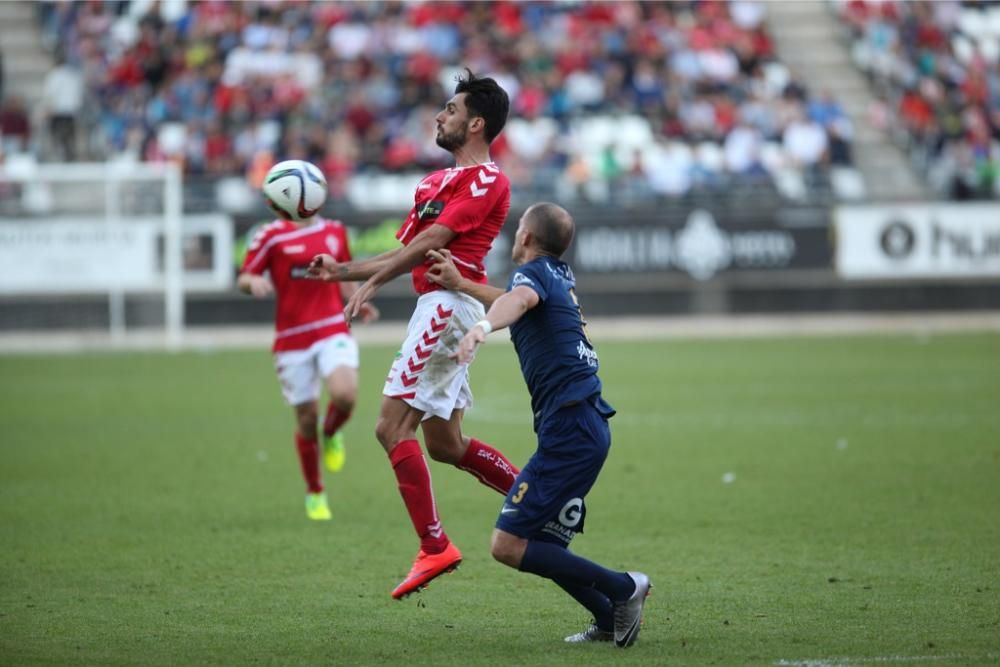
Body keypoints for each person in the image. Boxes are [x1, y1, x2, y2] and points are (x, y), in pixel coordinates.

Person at [306, 69, 521, 599]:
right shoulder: (430, 183)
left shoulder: (488, 179)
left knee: (389, 427)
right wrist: (342, 272)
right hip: (437, 306)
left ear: (476, 123)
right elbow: (403, 250)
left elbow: (433, 240)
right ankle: (533, 497)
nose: (438, 116)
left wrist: (376, 280)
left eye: (449, 109)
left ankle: (434, 546)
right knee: (446, 444)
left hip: (450, 305)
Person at [433, 202, 651, 648]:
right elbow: (521, 301)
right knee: (543, 540)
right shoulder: (558, 276)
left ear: (528, 238)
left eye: (517, 229)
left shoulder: (529, 278)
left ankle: (624, 587)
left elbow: (518, 300)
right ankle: (609, 617)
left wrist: (479, 330)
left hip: (570, 430)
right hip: (584, 425)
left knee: (507, 545)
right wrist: (464, 286)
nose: (513, 236)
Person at [238, 212, 378, 521]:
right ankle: (315, 491)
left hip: (331, 327)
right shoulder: (270, 235)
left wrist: (356, 299)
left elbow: (341, 272)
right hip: (291, 338)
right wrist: (254, 281)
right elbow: (244, 276)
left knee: (345, 394)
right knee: (305, 418)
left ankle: (330, 432)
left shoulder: (335, 229)